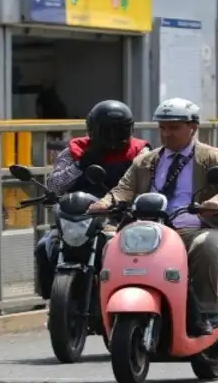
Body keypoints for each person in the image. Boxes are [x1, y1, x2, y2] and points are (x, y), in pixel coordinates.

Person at [87, 97, 218, 337]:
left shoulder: (215, 158)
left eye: (173, 128)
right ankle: (105, 310)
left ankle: (205, 312)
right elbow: (123, 189)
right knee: (109, 244)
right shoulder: (145, 161)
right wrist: (104, 203)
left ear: (192, 128)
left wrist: (217, 202)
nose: (166, 134)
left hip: (196, 229)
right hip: (151, 231)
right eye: (162, 128)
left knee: (209, 245)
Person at [35, 100, 150, 300]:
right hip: (76, 218)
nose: (112, 137)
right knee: (44, 247)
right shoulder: (74, 150)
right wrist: (81, 164)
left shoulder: (140, 152)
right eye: (106, 131)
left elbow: (147, 185)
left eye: (118, 130)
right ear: (91, 129)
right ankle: (53, 299)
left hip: (120, 220)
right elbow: (54, 185)